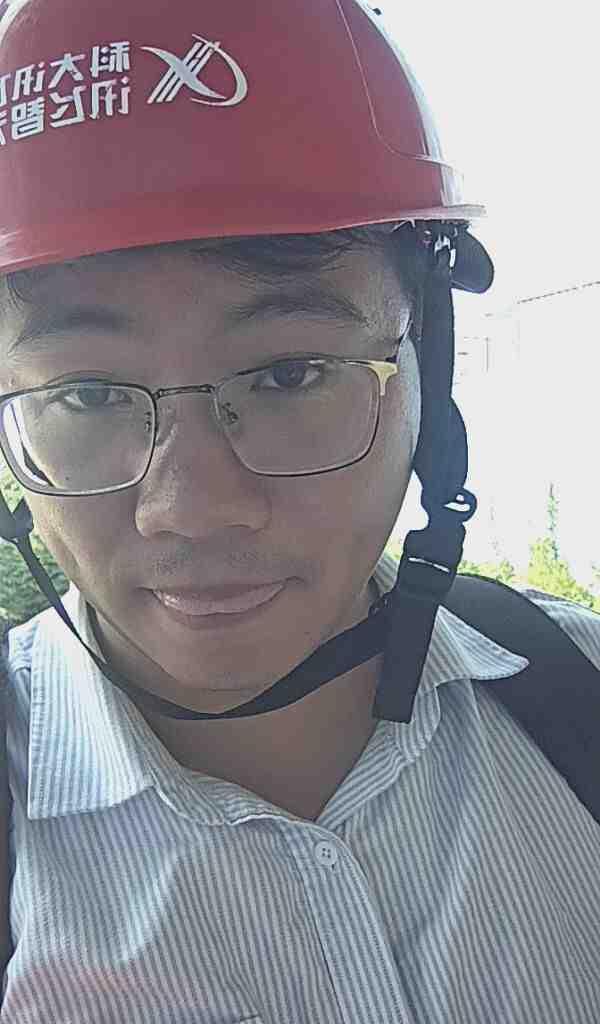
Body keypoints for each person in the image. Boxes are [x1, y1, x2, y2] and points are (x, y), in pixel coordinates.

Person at [0, 0, 598, 1021]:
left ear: (428, 370)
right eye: (88, 395)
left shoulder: (577, 695)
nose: (191, 511)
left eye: (288, 374)